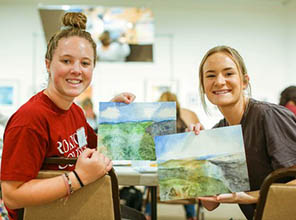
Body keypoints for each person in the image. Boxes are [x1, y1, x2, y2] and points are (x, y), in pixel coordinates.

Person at [0, 12, 145, 220]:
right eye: (67, 61)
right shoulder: (29, 120)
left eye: (85, 63)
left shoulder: (75, 111)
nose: (77, 70)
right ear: (48, 64)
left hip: (75, 206)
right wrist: (77, 178)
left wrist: (113, 115)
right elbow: (12, 196)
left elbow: (97, 149)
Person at [189, 45, 296, 220]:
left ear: (244, 81)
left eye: (228, 73)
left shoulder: (268, 116)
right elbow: (210, 203)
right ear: (203, 85)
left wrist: (249, 197)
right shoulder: (219, 132)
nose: (219, 81)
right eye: (210, 75)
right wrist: (195, 152)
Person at [145, 91, 203, 220]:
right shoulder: (185, 118)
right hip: (182, 174)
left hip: (158, 174)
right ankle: (191, 215)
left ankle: (147, 213)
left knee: (150, 179)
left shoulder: (154, 122)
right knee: (185, 176)